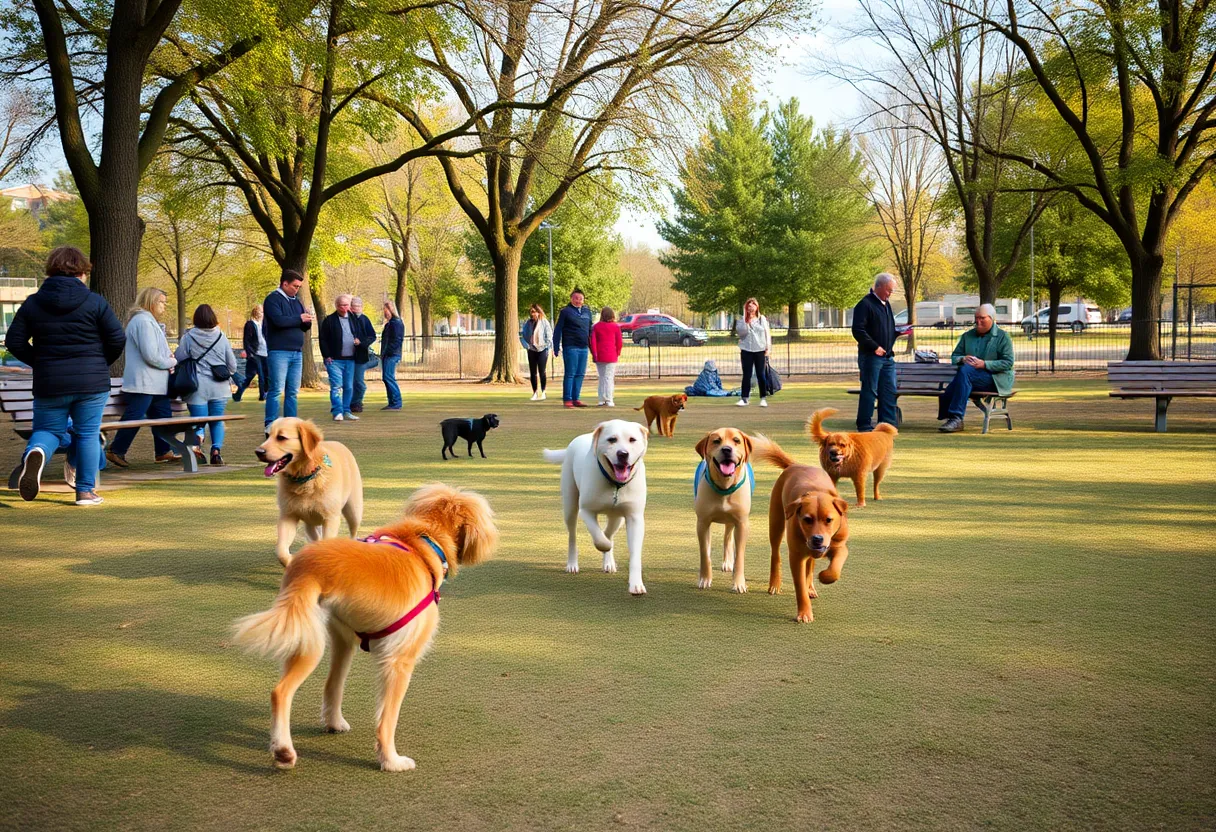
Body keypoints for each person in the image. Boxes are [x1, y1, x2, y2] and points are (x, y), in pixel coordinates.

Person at [5, 245, 125, 505]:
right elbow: (117, 338)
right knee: (87, 434)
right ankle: (84, 491)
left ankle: (36, 452)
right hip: (91, 382)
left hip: (50, 381)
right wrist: (100, 363)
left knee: (48, 430)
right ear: (82, 272)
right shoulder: (95, 301)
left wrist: (40, 362)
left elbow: (14, 341)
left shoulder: (33, 302)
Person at [107, 287, 179, 468]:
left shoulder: (148, 321)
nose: (164, 306)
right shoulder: (143, 322)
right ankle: (116, 450)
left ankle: (163, 451)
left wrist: (167, 358)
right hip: (144, 382)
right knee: (135, 417)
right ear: (151, 302)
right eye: (161, 302)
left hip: (155, 383)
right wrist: (171, 362)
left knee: (163, 415)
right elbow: (151, 356)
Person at [175, 304, 239, 464]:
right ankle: (216, 451)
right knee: (217, 420)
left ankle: (197, 445)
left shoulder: (188, 337)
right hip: (219, 387)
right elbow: (232, 365)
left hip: (196, 387)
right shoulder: (221, 336)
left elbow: (179, 357)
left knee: (198, 420)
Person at [937, 303, 1015, 433]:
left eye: (982, 318)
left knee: (964, 373)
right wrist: (962, 358)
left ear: (991, 318)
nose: (978, 321)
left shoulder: (1003, 337)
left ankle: (955, 418)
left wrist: (984, 364)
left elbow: (1008, 363)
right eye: (976, 318)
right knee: (964, 373)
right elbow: (954, 356)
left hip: (995, 379)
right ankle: (954, 419)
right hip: (970, 378)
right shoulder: (967, 336)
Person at [262, 270, 315, 429]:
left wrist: (307, 321)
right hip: (279, 351)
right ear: (285, 283)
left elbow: (303, 326)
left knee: (292, 392)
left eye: (299, 287)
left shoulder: (296, 301)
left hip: (296, 352)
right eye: (294, 286)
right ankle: (270, 425)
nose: (297, 289)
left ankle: (290, 425)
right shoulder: (272, 300)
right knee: (276, 390)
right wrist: (299, 318)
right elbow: (279, 321)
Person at [851, 273, 899, 432]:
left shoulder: (886, 304)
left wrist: (897, 332)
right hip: (871, 356)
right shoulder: (865, 304)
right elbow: (858, 330)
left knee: (888, 391)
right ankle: (864, 425)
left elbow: (885, 328)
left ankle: (887, 425)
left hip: (887, 357)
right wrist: (874, 347)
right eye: (888, 290)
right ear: (878, 287)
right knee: (870, 390)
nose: (890, 294)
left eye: (891, 291)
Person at [319, 293, 360, 422]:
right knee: (336, 386)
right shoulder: (329, 320)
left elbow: (361, 334)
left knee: (348, 386)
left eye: (346, 305)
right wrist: (327, 355)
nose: (344, 307)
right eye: (341, 305)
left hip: (350, 359)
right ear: (336, 306)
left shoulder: (354, 319)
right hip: (334, 360)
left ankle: (347, 410)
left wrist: (360, 342)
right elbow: (323, 339)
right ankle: (337, 411)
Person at [552, 288, 593, 408]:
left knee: (580, 373)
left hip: (583, 347)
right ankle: (568, 399)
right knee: (570, 373)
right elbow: (558, 329)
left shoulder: (587, 312)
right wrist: (556, 346)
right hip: (571, 346)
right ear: (571, 299)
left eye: (580, 299)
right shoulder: (566, 312)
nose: (578, 301)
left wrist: (592, 347)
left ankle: (576, 398)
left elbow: (590, 330)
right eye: (576, 298)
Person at [734, 297, 772, 407]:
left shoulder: (762, 319)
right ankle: (744, 398)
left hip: (759, 349)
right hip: (746, 349)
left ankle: (763, 398)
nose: (751, 307)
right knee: (747, 374)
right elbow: (741, 333)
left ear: (757, 307)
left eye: (753, 305)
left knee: (760, 374)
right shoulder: (742, 320)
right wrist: (747, 320)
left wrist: (768, 348)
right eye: (748, 305)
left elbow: (767, 334)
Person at [233, 303, 268, 402]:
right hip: (255, 354)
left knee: (252, 376)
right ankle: (263, 395)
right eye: (261, 311)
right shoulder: (250, 324)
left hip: (265, 353)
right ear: (256, 312)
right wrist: (249, 353)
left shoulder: (264, 324)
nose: (262, 313)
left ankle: (238, 394)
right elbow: (247, 340)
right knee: (261, 375)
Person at [589, 306, 623, 407]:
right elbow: (619, 342)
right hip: (611, 355)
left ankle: (601, 399)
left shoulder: (596, 327)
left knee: (602, 377)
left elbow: (593, 342)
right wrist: (617, 352)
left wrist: (594, 354)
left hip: (599, 355)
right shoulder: (616, 327)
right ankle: (609, 399)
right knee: (609, 377)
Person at [348, 296, 376, 413]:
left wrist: (362, 343)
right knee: (350, 382)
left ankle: (356, 402)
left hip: (360, 356)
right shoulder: (347, 319)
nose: (356, 309)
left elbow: (372, 336)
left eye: (358, 306)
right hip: (347, 355)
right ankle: (350, 403)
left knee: (359, 383)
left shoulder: (365, 319)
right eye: (354, 306)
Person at [520, 303, 553, 401]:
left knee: (542, 372)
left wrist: (547, 346)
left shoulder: (544, 322)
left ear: (538, 312)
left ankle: (543, 392)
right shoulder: (528, 323)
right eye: (531, 312)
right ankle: (534, 392)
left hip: (542, 349)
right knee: (533, 372)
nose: (532, 314)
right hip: (531, 350)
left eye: (534, 312)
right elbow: (523, 335)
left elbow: (549, 335)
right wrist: (527, 346)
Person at [380, 300, 405, 411]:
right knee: (386, 378)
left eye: (385, 311)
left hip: (392, 354)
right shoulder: (391, 323)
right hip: (388, 354)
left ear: (390, 310)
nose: (384, 313)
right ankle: (392, 402)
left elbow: (397, 340)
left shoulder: (396, 323)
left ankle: (396, 402)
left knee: (388, 377)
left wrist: (388, 351)